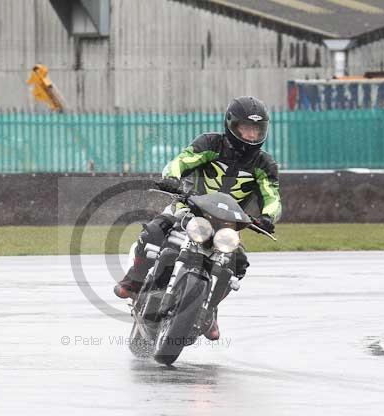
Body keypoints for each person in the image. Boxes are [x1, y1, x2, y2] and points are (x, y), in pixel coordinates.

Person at [114, 96, 282, 339]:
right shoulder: (210, 143)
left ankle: (210, 309)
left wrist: (268, 216)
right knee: (153, 231)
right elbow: (182, 161)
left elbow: (272, 195)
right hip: (188, 208)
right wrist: (172, 178)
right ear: (231, 125)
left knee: (238, 262)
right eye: (246, 128)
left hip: (226, 224)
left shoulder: (264, 163)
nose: (251, 135)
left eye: (256, 130)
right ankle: (135, 280)